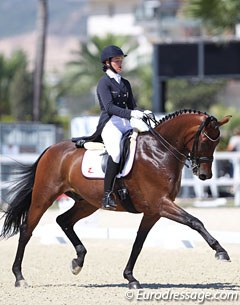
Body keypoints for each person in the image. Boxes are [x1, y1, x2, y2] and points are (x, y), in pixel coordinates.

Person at [96, 45, 145, 210]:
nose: (120, 63)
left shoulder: (125, 83)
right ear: (107, 62)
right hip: (110, 123)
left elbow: (132, 105)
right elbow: (109, 107)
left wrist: (142, 112)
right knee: (116, 152)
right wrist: (131, 113)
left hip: (125, 123)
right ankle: (107, 195)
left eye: (121, 60)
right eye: (117, 60)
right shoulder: (104, 83)